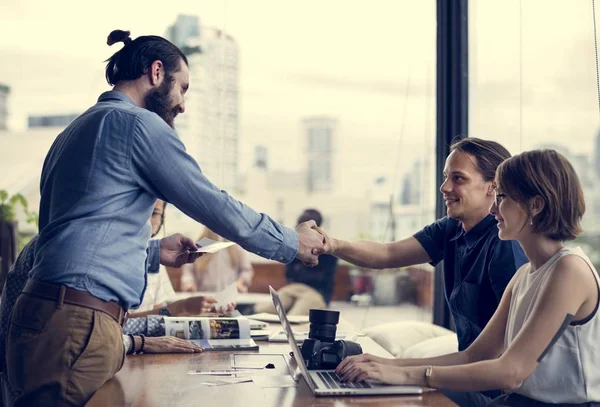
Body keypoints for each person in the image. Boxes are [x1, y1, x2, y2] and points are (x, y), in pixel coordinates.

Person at [6, 29, 324, 407]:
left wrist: (155, 252)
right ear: (157, 73)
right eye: (183, 88)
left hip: (45, 314)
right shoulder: (137, 125)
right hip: (78, 323)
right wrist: (291, 242)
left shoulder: (76, 130)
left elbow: (81, 235)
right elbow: (213, 204)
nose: (183, 104)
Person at [336, 149, 600, 407]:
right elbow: (474, 355)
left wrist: (406, 374)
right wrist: (385, 365)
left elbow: (512, 371)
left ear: (536, 205)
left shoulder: (570, 270)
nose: (494, 208)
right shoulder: (524, 276)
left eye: (503, 196)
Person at [254, 209, 339, 315]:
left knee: (295, 315)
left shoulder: (327, 251)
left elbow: (324, 279)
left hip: (315, 292)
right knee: (266, 310)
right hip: (294, 288)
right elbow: (289, 274)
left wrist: (300, 272)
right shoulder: (296, 246)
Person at [180, 227, 254, 293]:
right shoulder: (198, 248)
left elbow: (246, 270)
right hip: (204, 294)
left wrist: (240, 282)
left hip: (230, 294)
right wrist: (189, 283)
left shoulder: (236, 248)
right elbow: (188, 272)